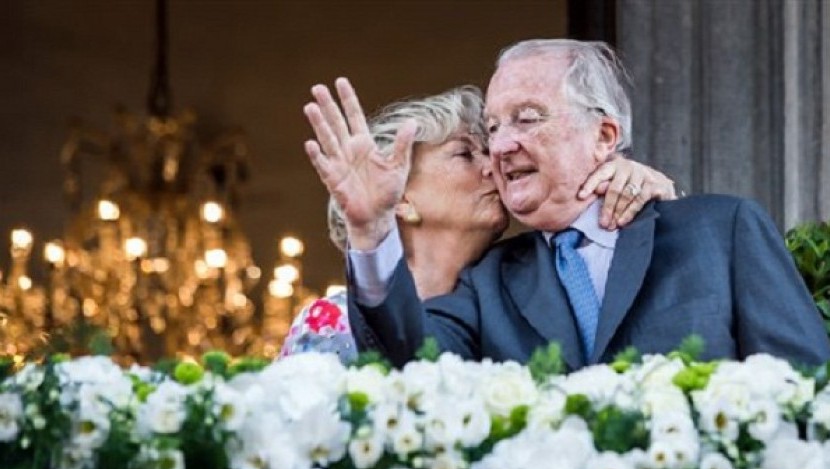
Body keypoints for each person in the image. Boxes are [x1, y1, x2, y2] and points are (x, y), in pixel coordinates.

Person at [311, 38, 830, 371]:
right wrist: (372, 230)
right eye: (493, 128)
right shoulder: (487, 282)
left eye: (528, 118)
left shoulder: (722, 230)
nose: (501, 146)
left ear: (604, 135)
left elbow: (810, 394)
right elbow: (411, 358)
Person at [283, 84, 676, 363]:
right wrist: (370, 229)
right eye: (465, 155)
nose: (495, 167)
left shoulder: (538, 281)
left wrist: (639, 199)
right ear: (401, 198)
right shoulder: (332, 325)